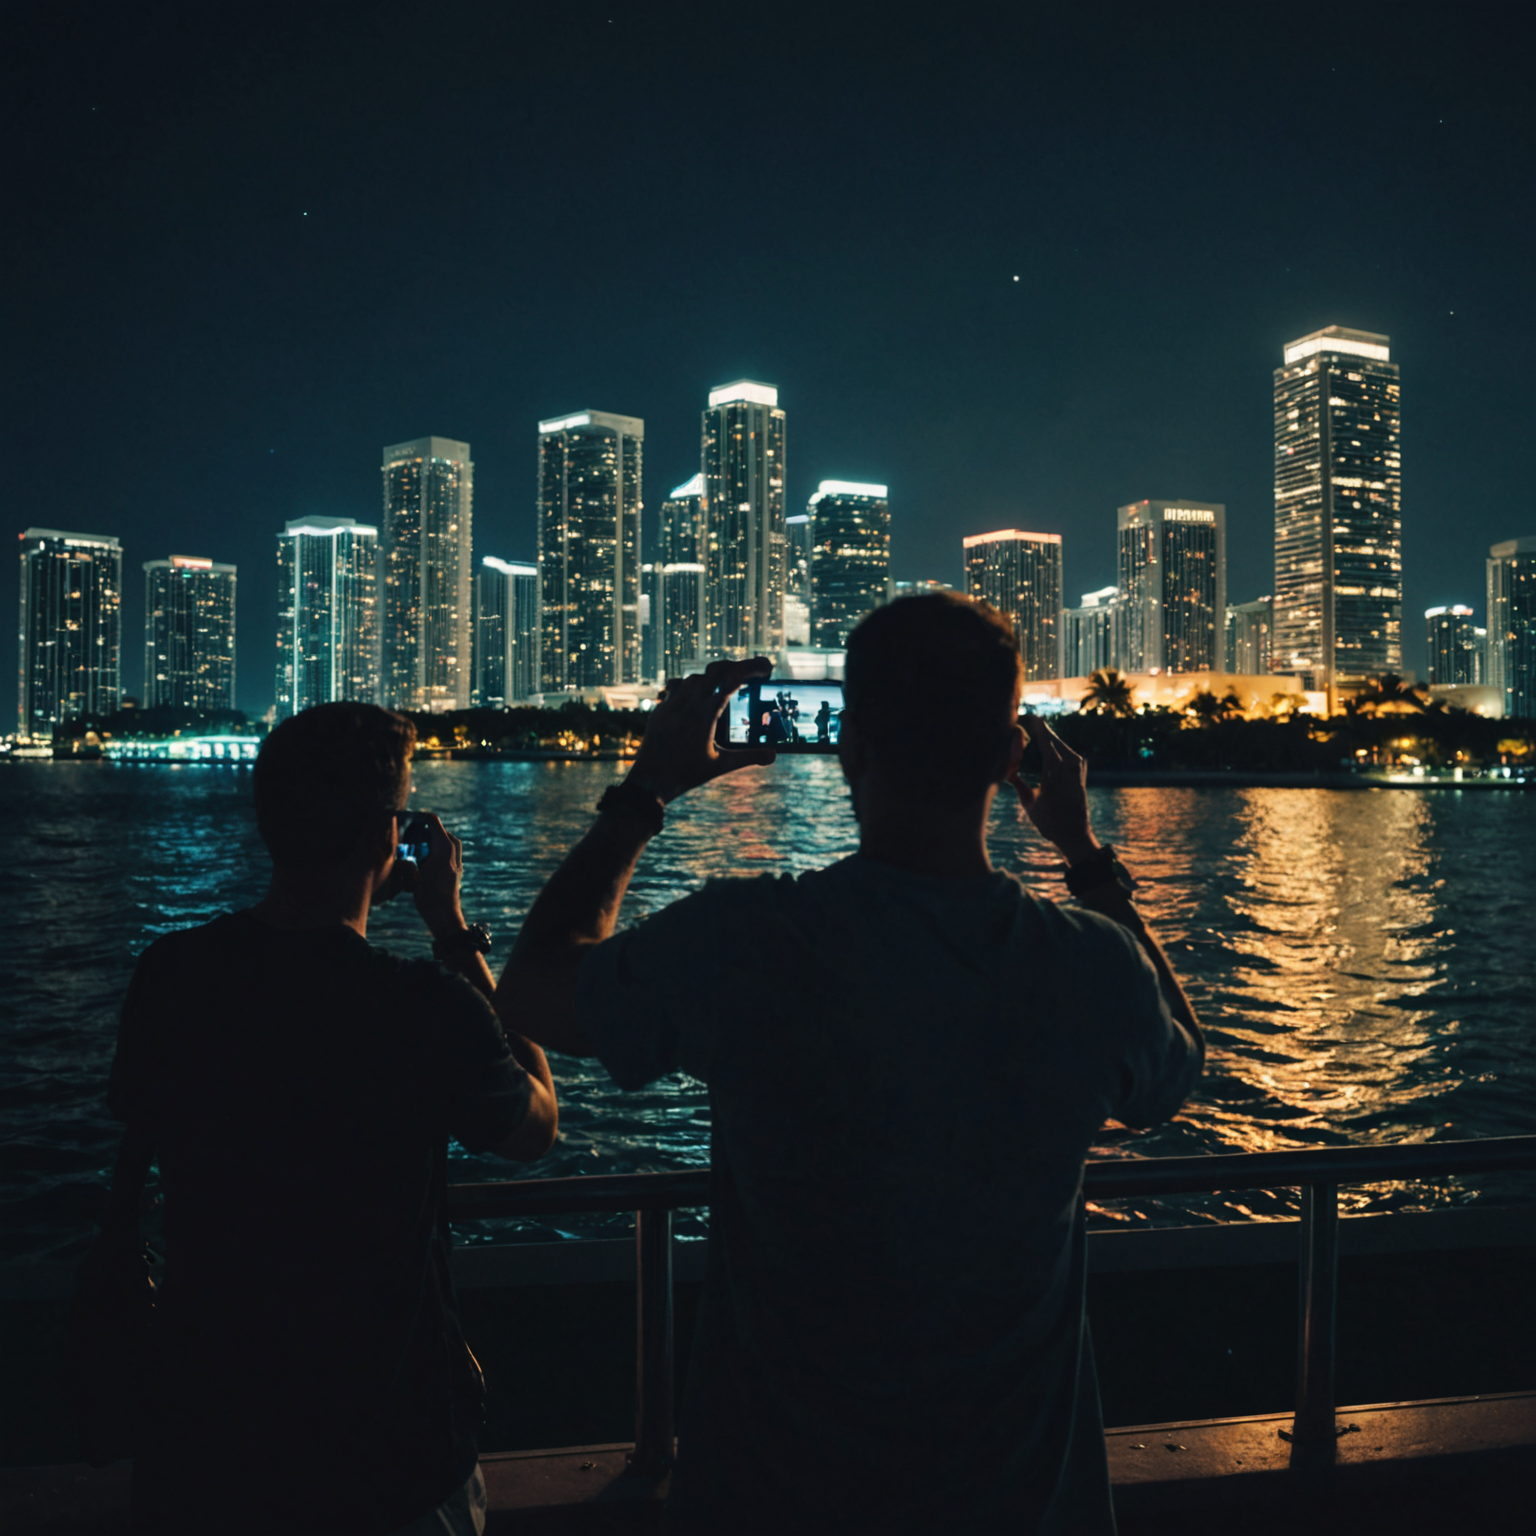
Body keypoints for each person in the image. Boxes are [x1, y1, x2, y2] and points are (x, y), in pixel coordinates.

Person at [497, 592, 1203, 1534]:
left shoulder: (749, 940)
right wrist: (1081, 851)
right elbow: (1177, 1063)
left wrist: (645, 791)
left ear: (849, 748)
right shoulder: (1090, 967)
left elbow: (533, 990)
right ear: (1009, 761)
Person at [107, 703, 558, 1535]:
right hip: (385, 1452)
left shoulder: (173, 976)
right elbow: (536, 1126)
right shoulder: (422, 1004)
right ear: (388, 835)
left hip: (206, 1442)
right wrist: (454, 931)